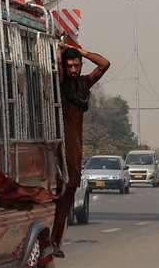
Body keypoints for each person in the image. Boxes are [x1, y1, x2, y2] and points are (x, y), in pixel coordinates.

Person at [50, 42, 110, 258]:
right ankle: (51, 240)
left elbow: (104, 64)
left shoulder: (84, 84)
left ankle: (55, 242)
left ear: (81, 65)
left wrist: (81, 50)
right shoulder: (60, 83)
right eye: (70, 66)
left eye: (77, 65)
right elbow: (54, 69)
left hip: (74, 143)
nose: (73, 70)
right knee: (59, 192)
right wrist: (60, 53)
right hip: (59, 142)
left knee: (69, 193)